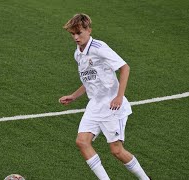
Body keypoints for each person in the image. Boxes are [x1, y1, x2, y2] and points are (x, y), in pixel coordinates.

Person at [59, 13, 150, 180]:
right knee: (82, 142)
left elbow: (125, 68)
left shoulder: (99, 48)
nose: (76, 37)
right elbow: (90, 80)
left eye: (79, 33)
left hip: (112, 105)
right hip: (95, 105)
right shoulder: (78, 54)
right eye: (72, 34)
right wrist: (74, 96)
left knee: (116, 150)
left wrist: (119, 97)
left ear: (88, 30)